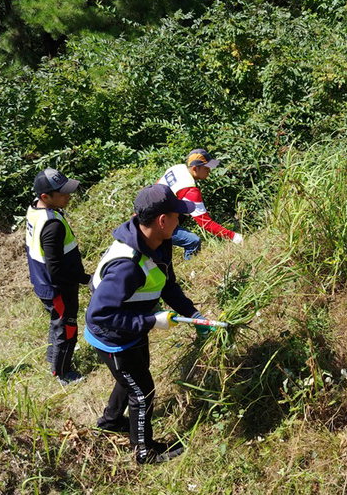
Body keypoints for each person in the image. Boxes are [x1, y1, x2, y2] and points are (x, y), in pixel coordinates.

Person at [84, 184, 212, 464]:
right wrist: (152, 321)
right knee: (143, 393)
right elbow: (98, 315)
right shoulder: (127, 265)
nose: (181, 220)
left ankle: (109, 421)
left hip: (133, 327)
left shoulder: (160, 243)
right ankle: (145, 452)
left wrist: (193, 314)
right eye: (178, 216)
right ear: (163, 221)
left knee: (132, 377)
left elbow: (168, 286)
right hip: (113, 338)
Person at [25, 168, 90, 385]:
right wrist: (84, 278)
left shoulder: (35, 209)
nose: (68, 196)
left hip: (42, 281)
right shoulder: (51, 225)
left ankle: (52, 357)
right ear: (46, 197)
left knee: (57, 323)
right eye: (63, 193)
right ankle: (62, 372)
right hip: (57, 288)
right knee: (67, 326)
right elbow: (56, 267)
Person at [157, 148, 243, 259]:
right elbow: (206, 223)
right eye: (206, 168)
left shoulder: (176, 168)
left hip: (147, 216)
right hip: (158, 225)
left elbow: (156, 185)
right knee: (193, 242)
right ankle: (191, 271)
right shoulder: (189, 190)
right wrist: (233, 236)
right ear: (195, 168)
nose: (209, 171)